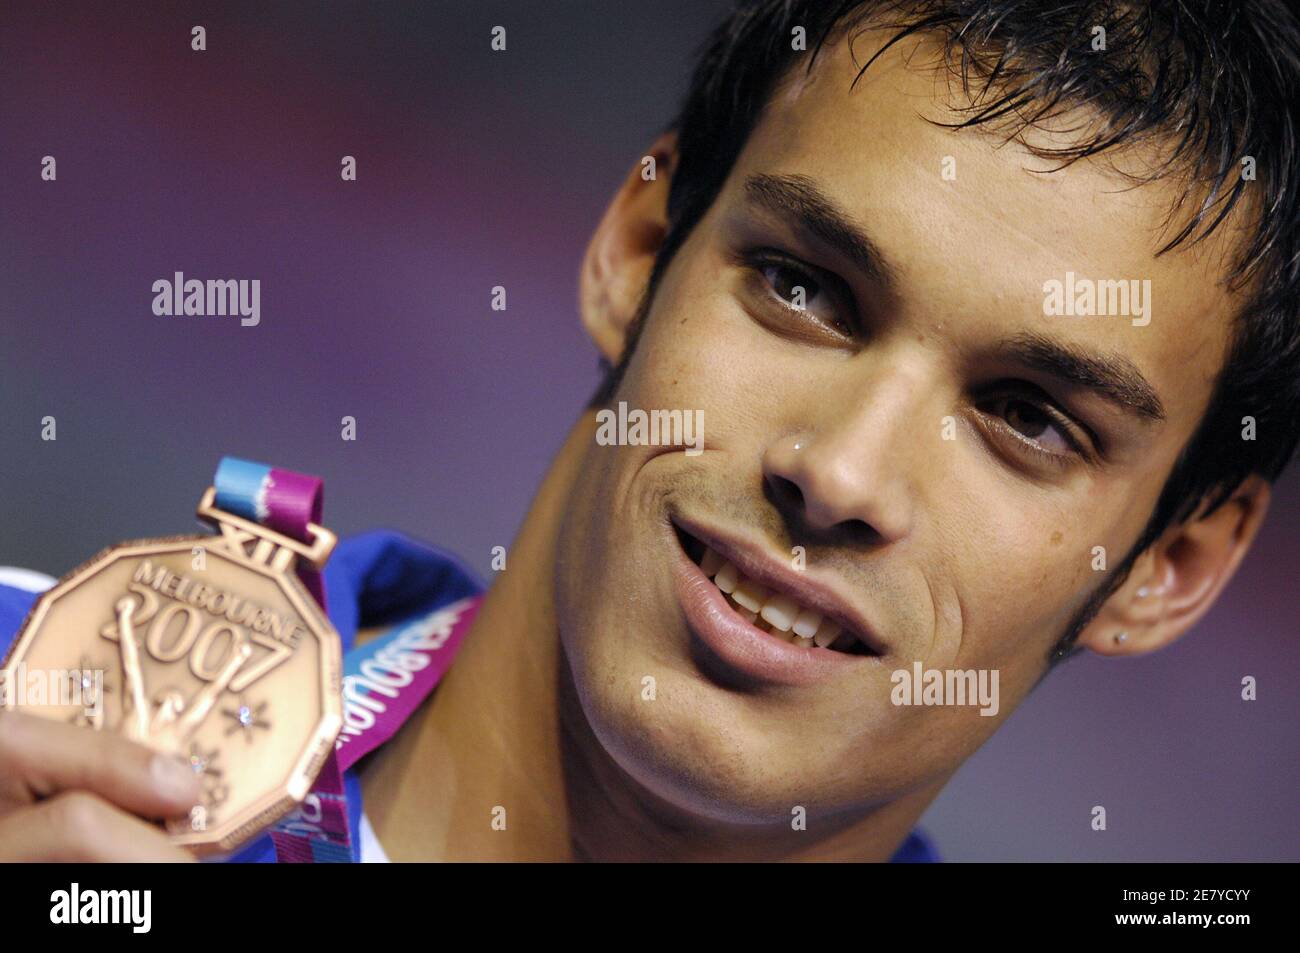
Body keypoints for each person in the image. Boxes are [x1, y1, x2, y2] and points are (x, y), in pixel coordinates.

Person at [1, 0, 1297, 861]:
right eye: (805, 288)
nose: (839, 472)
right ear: (638, 250)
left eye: (1028, 416)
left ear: (1165, 568)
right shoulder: (24, 724)